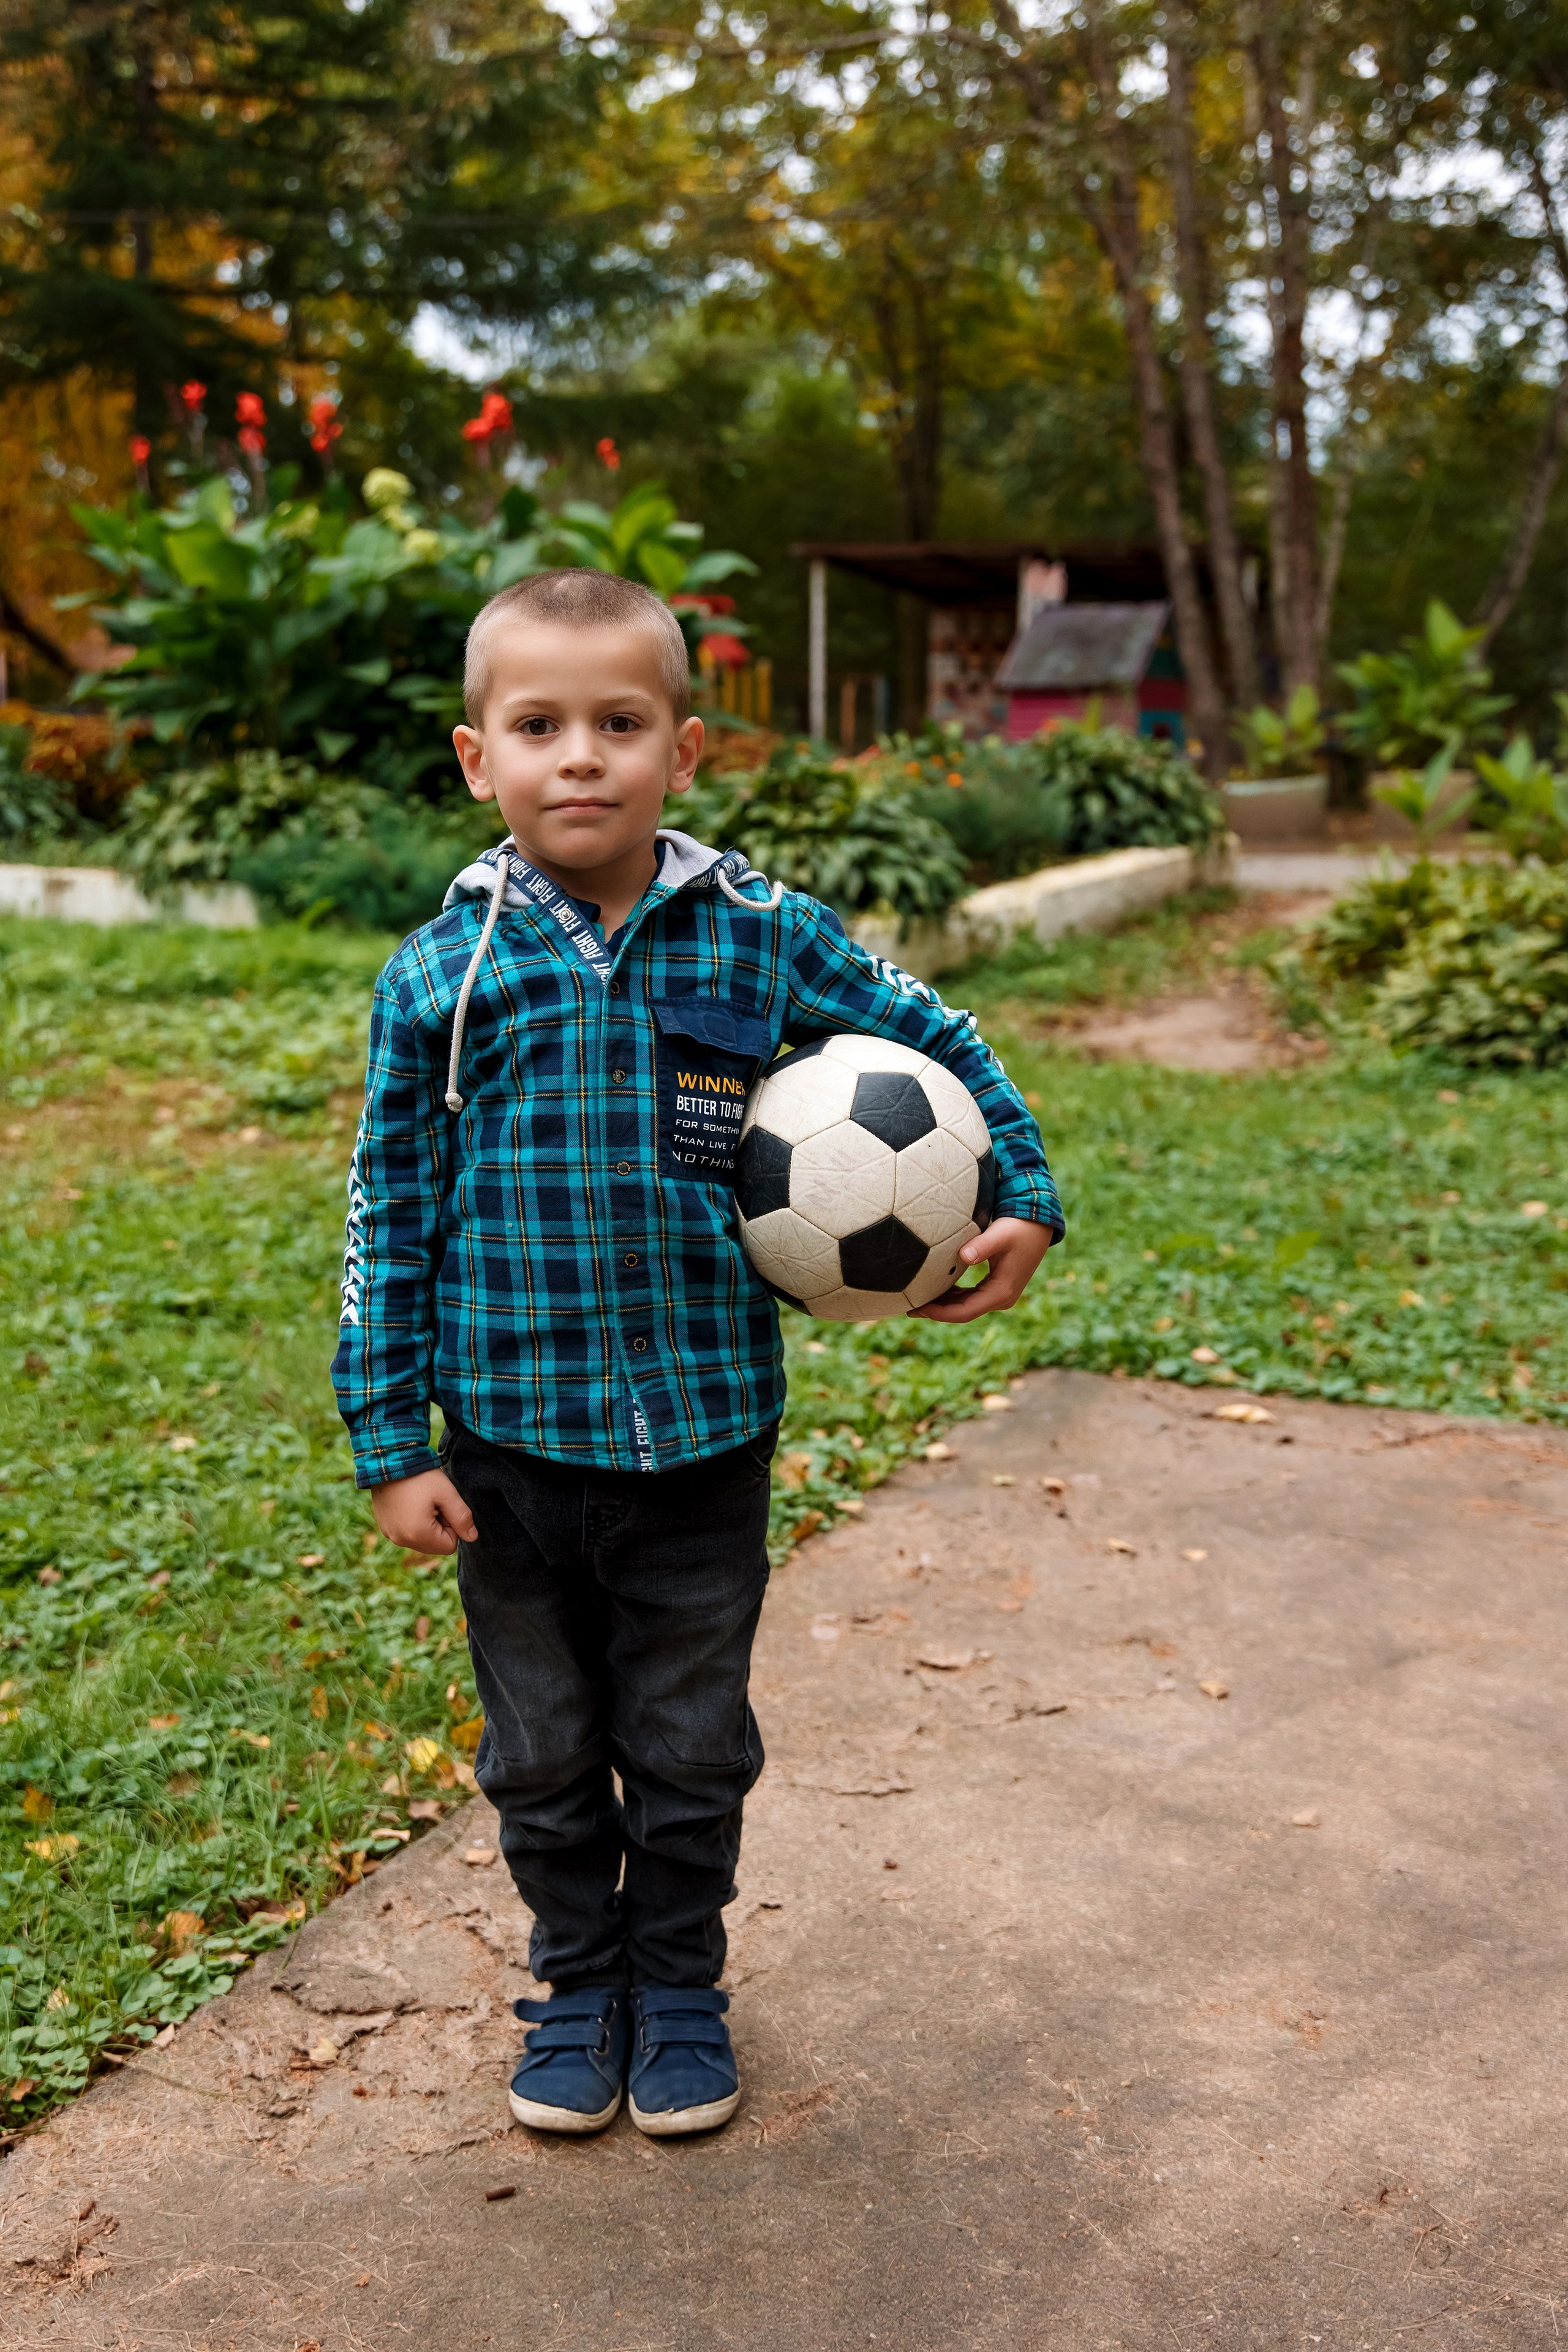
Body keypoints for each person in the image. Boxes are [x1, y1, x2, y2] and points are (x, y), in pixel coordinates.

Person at [331, 570, 1063, 2139]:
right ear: (478, 760)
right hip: (508, 1457)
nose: (577, 757)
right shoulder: (440, 981)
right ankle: (572, 1984)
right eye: (539, 726)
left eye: (618, 723)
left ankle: (676, 1988)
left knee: (684, 1745)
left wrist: (1022, 1188)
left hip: (703, 1448)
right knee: (538, 1754)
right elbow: (387, 1211)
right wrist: (390, 1441)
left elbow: (939, 1033)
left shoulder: (757, 938)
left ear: (684, 749)